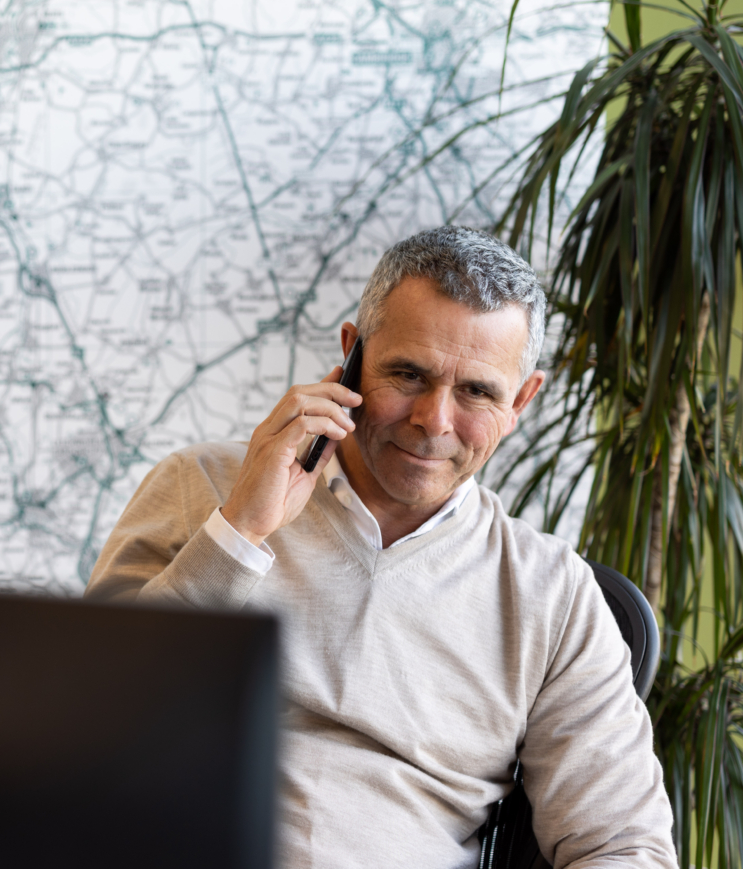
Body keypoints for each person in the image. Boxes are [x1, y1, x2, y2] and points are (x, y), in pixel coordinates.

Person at [85, 226, 676, 868]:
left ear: (521, 402)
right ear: (351, 356)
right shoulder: (201, 486)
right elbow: (79, 722)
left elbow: (624, 844)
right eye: (408, 374)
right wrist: (238, 534)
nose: (434, 420)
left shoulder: (551, 597)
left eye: (477, 391)